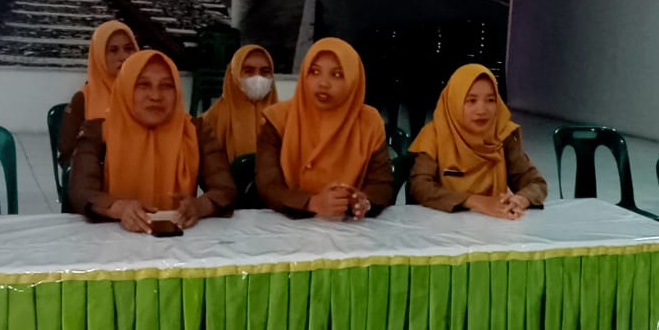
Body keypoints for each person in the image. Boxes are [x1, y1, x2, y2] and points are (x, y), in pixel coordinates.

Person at [68, 50, 236, 231]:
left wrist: (199, 206)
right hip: (111, 240)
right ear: (125, 88)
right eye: (143, 85)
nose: (156, 96)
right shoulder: (97, 132)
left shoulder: (195, 131)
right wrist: (119, 208)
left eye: (166, 85)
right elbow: (81, 192)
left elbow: (225, 189)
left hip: (181, 237)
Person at [256, 38, 394, 220]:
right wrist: (311, 202)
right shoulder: (277, 118)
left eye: (337, 75)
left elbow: (382, 184)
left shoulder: (369, 122)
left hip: (347, 227)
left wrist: (363, 202)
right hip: (288, 223)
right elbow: (268, 186)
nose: (323, 83)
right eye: (315, 72)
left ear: (353, 80)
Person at [408, 64, 546, 218]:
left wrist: (521, 199)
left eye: (490, 100)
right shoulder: (434, 135)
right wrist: (474, 201)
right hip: (440, 224)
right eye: (471, 101)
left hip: (493, 224)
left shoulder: (501, 135)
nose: (482, 110)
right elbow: (420, 187)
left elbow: (536, 183)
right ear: (454, 102)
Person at [57, 21, 138, 162]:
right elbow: (67, 152)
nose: (123, 56)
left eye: (129, 48)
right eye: (113, 50)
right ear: (99, 56)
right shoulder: (83, 98)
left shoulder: (148, 94)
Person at [200, 43, 278, 162]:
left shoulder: (282, 119)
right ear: (234, 75)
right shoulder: (210, 121)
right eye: (249, 71)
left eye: (265, 71)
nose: (257, 78)